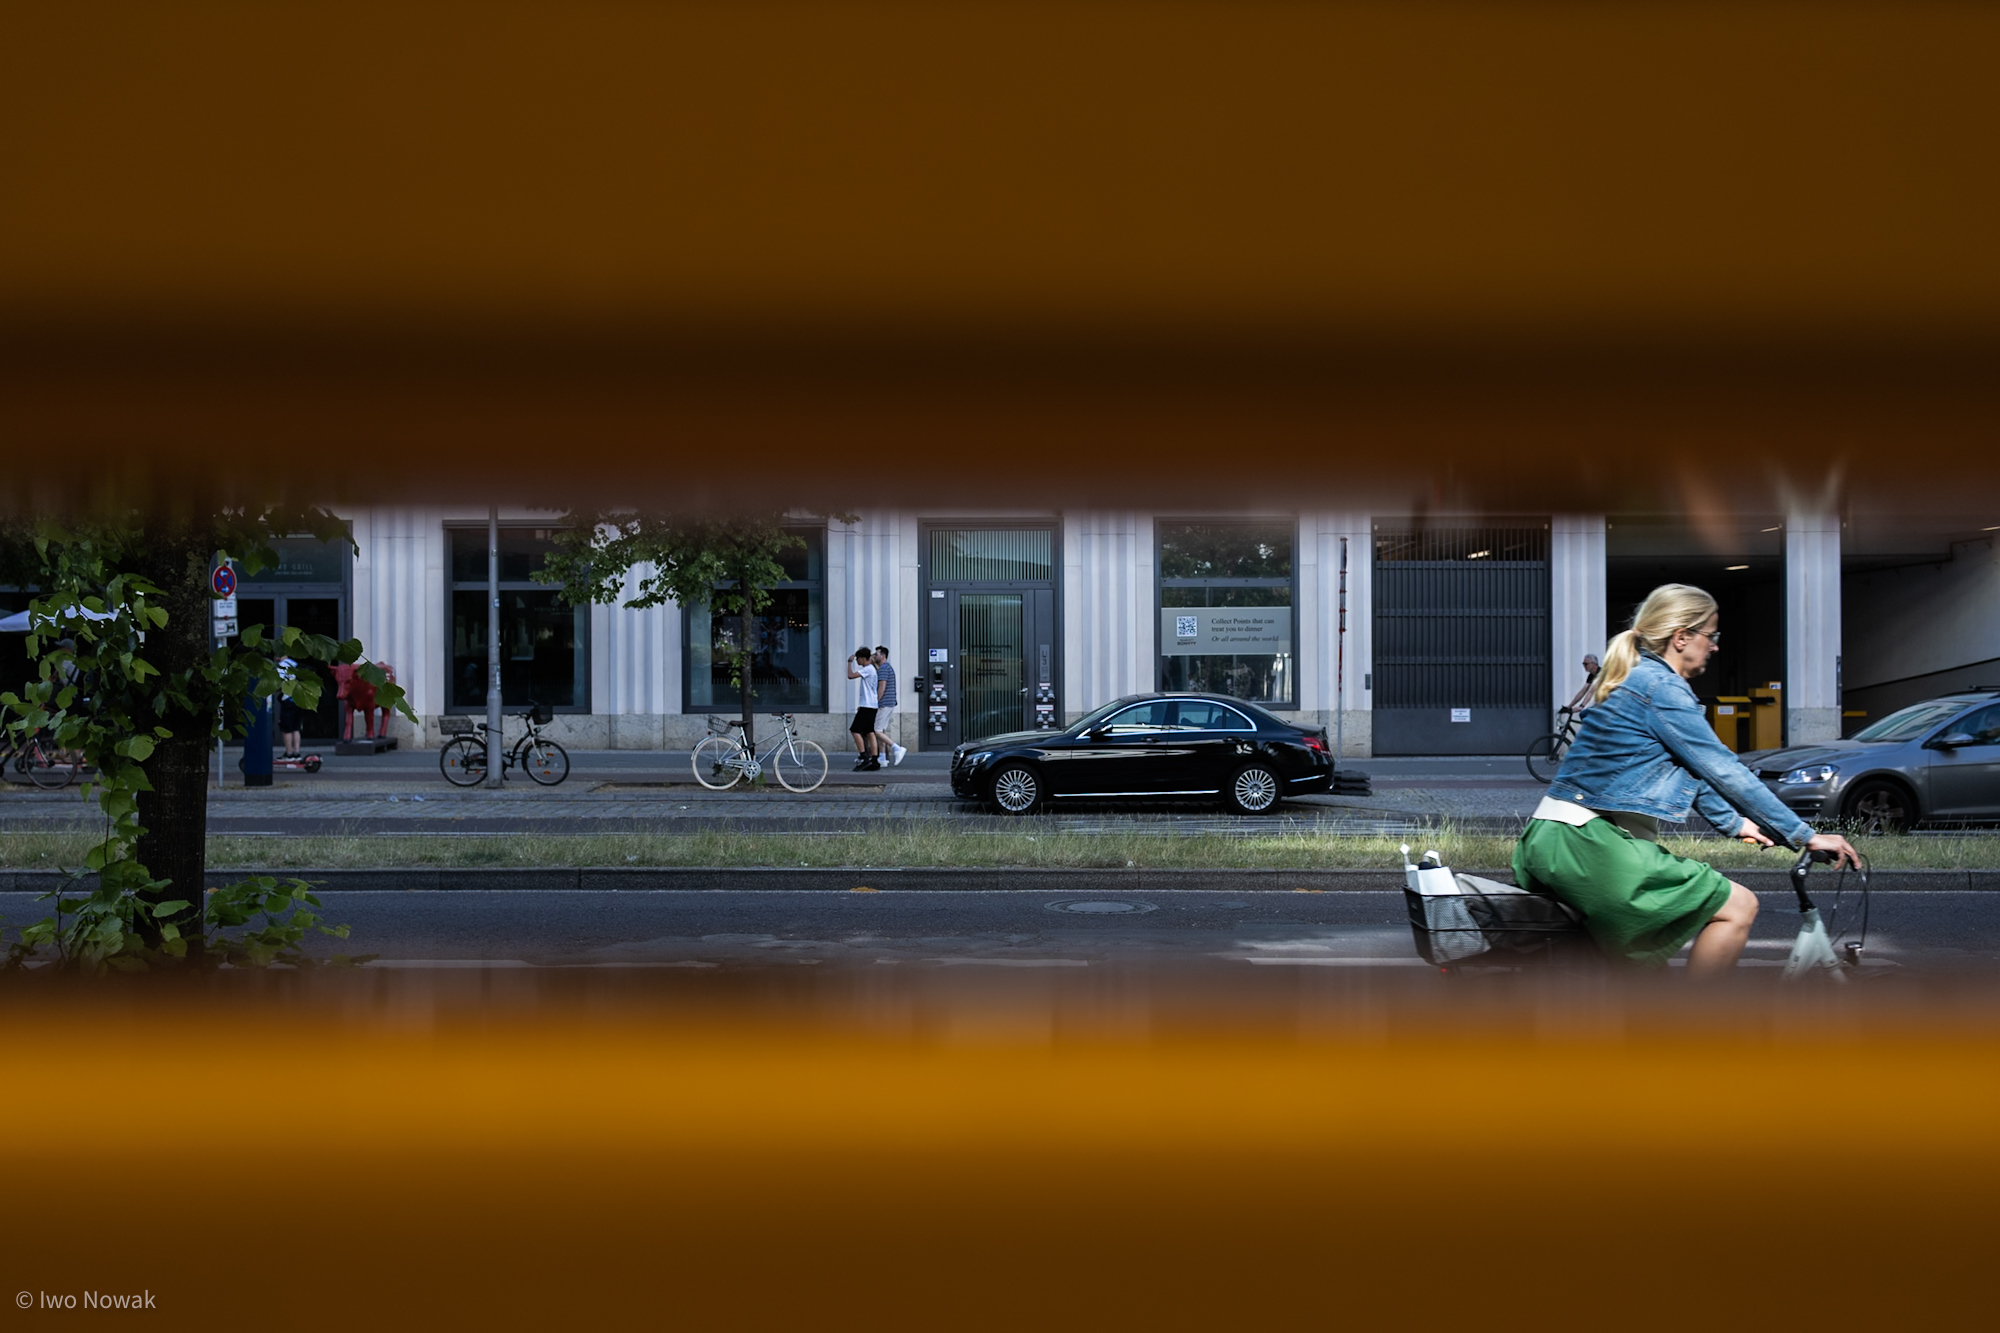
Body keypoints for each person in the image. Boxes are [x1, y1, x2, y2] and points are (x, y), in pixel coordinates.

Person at [1513, 584, 1860, 978]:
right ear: (1681, 637)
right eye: (1711, 635)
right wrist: (1805, 835)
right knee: (1739, 907)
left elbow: (1689, 769)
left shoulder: (1633, 678)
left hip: (1550, 840)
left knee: (1642, 979)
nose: (1715, 646)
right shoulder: (1661, 688)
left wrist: (1736, 824)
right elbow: (1722, 768)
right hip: (1589, 844)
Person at [870, 645, 906, 766]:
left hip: (884, 703)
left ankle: (897, 748)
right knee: (881, 730)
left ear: (883, 656)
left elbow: (881, 688)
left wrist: (875, 703)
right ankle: (882, 758)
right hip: (889, 703)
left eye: (876, 654)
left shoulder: (883, 669)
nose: (874, 656)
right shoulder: (886, 667)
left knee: (876, 730)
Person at [844, 646, 879, 771]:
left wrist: (849, 662)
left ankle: (864, 756)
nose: (857, 661)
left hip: (867, 705)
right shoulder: (872, 668)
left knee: (854, 730)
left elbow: (850, 675)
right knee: (870, 732)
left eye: (858, 659)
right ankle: (874, 760)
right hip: (872, 705)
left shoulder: (868, 669)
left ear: (863, 658)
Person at [276, 656, 305, 759]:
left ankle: (289, 753)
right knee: (295, 727)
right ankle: (296, 753)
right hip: (298, 698)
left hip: (287, 699)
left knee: (286, 728)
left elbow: (279, 684)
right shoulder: (294, 664)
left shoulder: (282, 666)